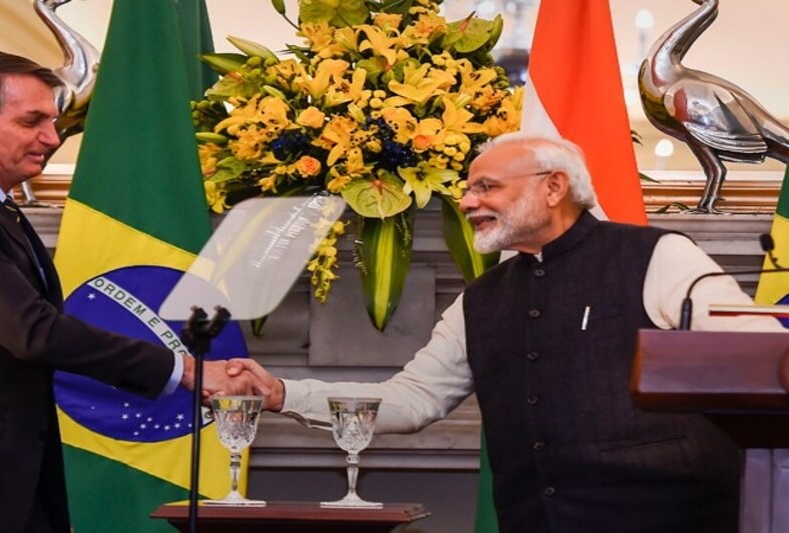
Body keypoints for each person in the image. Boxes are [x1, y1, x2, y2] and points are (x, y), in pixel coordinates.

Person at [230, 132, 785, 533]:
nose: (467, 202)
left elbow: (756, 358)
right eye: (468, 189)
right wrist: (282, 393)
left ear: (554, 186)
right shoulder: (481, 298)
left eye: (486, 187)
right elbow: (413, 399)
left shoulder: (658, 255)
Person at [0, 50, 251, 533]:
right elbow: (32, 331)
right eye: (31, 121)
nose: (53, 138)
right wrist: (184, 370)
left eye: (52, 122)